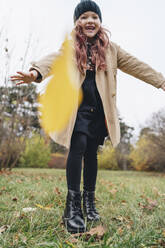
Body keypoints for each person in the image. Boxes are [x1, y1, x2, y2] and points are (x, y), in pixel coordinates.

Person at [11, 0, 165, 234]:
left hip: (99, 108)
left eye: (94, 16)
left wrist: (160, 81)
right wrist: (35, 72)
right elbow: (54, 59)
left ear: (100, 21)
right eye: (84, 17)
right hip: (77, 107)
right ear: (77, 23)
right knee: (78, 144)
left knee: (91, 151)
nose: (89, 20)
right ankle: (72, 208)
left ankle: (89, 202)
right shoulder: (71, 47)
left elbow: (136, 65)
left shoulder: (112, 49)